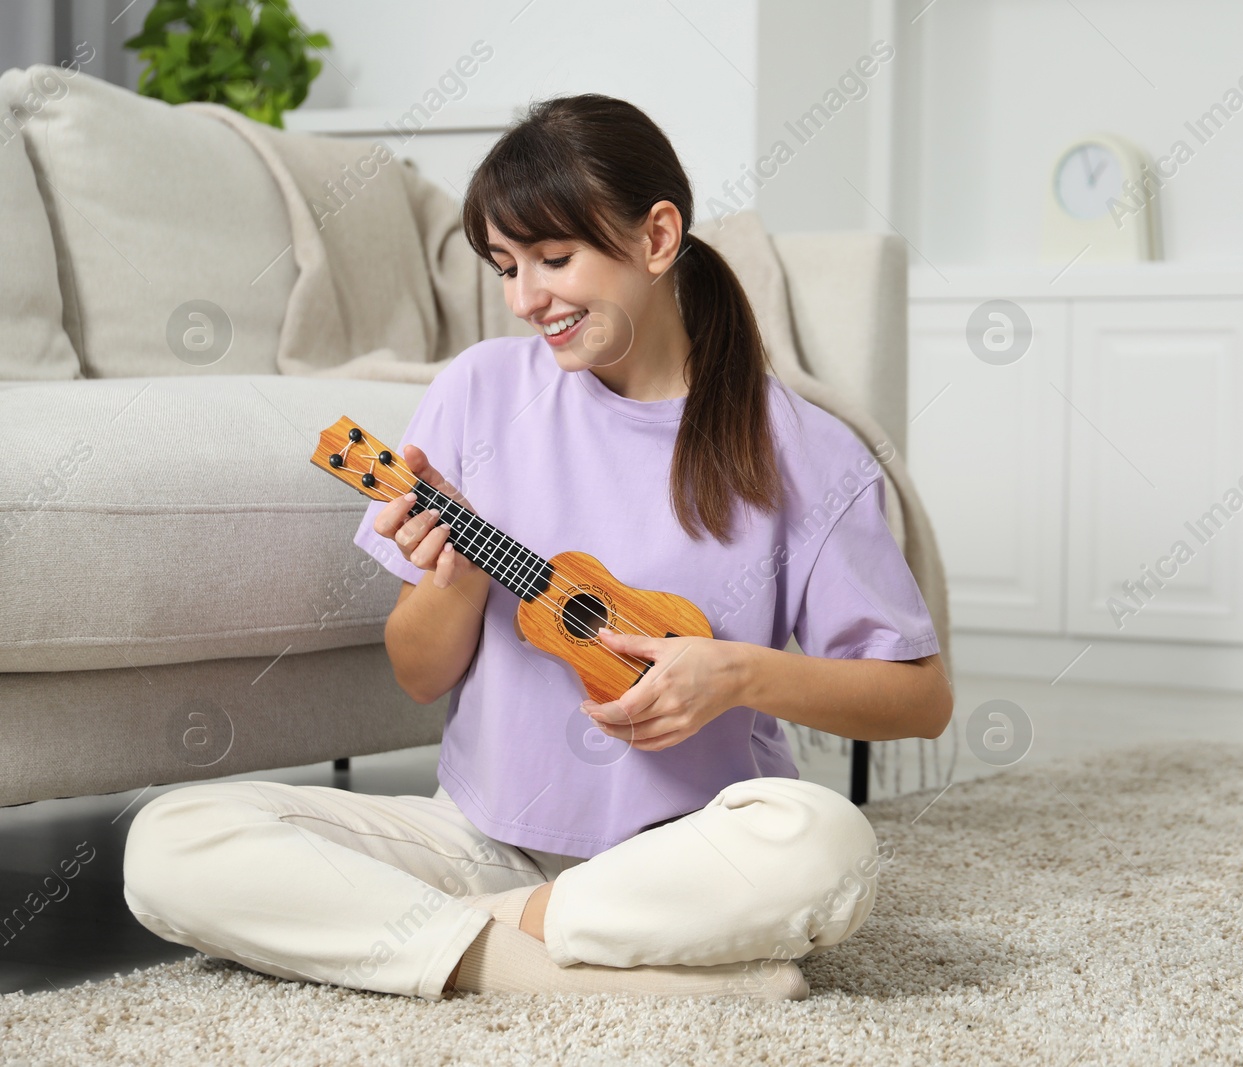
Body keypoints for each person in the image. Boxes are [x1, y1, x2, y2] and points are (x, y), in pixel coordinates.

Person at [122, 93, 951, 1003]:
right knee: (173, 835)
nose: (527, 299)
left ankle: (478, 938)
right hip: (482, 844)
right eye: (506, 266)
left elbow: (918, 698)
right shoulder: (478, 390)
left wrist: (737, 676)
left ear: (657, 237)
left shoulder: (804, 448)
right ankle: (548, 962)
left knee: (827, 845)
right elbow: (418, 672)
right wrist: (456, 574)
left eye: (555, 259)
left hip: (686, 849)